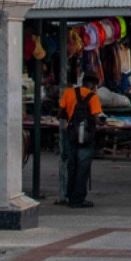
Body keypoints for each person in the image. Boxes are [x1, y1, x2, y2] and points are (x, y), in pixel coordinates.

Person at [58, 67, 103, 208]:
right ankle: (78, 199)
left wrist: (71, 117)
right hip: (86, 136)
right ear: (94, 85)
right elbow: (96, 119)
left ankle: (70, 195)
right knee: (83, 167)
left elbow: (60, 113)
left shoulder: (68, 92)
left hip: (71, 133)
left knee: (72, 166)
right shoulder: (93, 97)